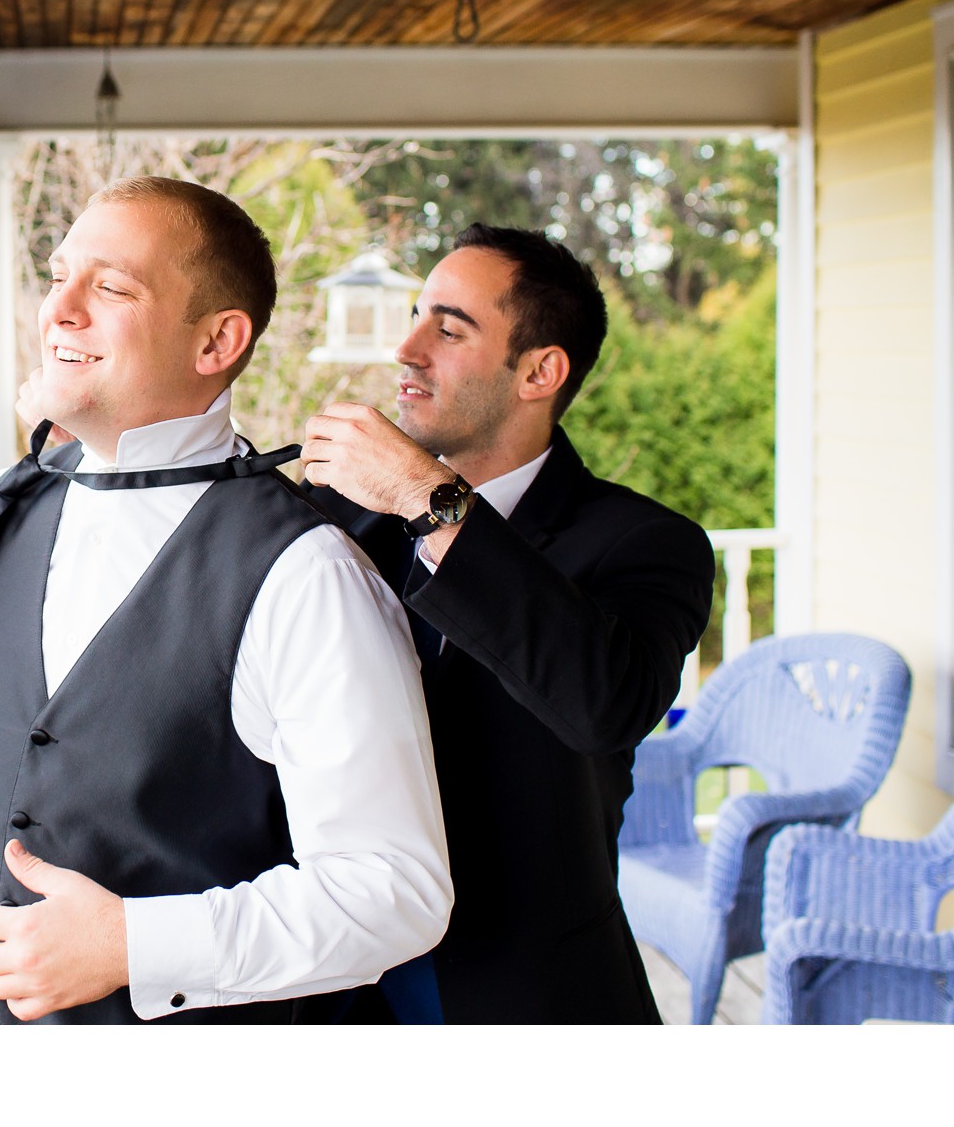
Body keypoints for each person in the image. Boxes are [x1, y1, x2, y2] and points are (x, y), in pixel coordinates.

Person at [0, 177, 452, 1025]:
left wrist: (137, 945)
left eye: (109, 287)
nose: (58, 309)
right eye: (59, 273)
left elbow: (396, 889)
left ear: (217, 340)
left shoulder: (309, 574)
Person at [297, 224, 715, 1023]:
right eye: (416, 316)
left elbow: (605, 702)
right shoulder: (338, 512)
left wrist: (432, 498)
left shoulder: (650, 544)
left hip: (530, 993)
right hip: (333, 982)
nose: (407, 348)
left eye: (449, 328)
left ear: (540, 370)